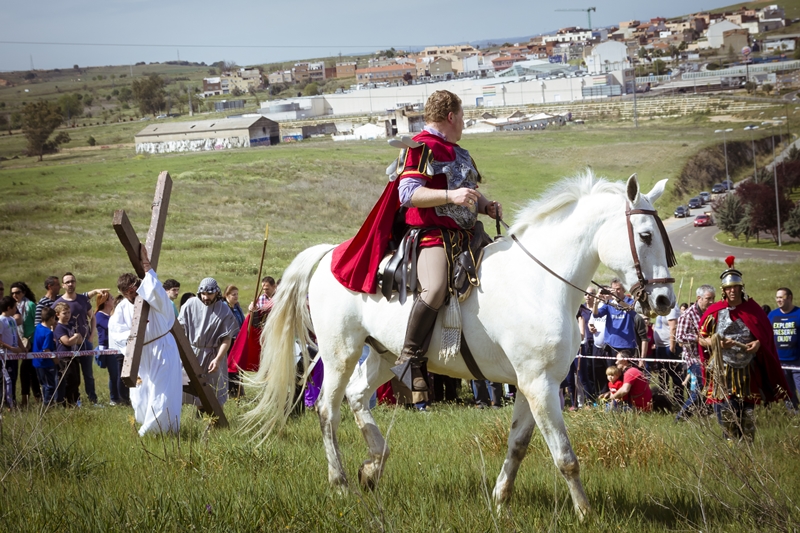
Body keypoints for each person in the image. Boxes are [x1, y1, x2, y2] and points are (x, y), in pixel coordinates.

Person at [330, 90, 503, 392]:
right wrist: (451, 196)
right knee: (435, 288)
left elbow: (468, 189)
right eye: (462, 116)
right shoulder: (420, 148)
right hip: (432, 235)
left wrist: (485, 205)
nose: (463, 122)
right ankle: (410, 358)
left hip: (467, 235)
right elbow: (408, 194)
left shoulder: (460, 151)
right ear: (451, 116)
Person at [698, 257, 789, 441]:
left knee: (747, 414)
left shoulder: (753, 309)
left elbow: (764, 337)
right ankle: (731, 449)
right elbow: (701, 339)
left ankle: (748, 450)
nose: (732, 291)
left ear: (741, 288)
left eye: (735, 287)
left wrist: (758, 344)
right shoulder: (715, 311)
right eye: (728, 288)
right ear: (724, 290)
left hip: (748, 371)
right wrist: (717, 344)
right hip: (723, 371)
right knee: (727, 414)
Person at [109, 245, 183, 436]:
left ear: (138, 286)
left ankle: (150, 433)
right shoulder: (123, 307)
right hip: (140, 355)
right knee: (141, 397)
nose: (131, 297)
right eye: (126, 294)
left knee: (162, 394)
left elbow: (158, 294)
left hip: (162, 350)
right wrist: (133, 338)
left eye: (133, 292)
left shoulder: (152, 296)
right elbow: (115, 333)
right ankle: (149, 428)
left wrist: (147, 267)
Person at [179, 278, 239, 407]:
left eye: (209, 294)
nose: (206, 297)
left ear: (216, 293)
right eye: (203, 294)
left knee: (214, 391)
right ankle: (197, 418)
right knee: (191, 390)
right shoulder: (189, 305)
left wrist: (218, 359)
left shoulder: (224, 310)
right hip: (192, 353)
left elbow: (226, 339)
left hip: (213, 355)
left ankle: (215, 421)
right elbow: (180, 331)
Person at [52, 272, 105, 404]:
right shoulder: (58, 303)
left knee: (88, 374)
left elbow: (92, 317)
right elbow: (53, 323)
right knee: (72, 375)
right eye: (68, 282)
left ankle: (93, 400)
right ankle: (75, 400)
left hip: (85, 342)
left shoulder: (82, 299)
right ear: (63, 285)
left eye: (73, 281)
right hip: (68, 345)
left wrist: (91, 336)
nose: (71, 284)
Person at [675, 284, 716, 421]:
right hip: (695, 358)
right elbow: (679, 337)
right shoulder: (687, 315)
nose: (711, 302)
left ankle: (705, 413)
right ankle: (681, 418)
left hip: (711, 357)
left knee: (711, 388)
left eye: (713, 299)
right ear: (699, 298)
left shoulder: (711, 313)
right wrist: (700, 339)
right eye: (708, 299)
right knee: (700, 389)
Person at [768, 287, 800, 409]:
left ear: (790, 298)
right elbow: (766, 335)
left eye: (781, 297)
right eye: (777, 297)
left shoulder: (798, 313)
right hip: (780, 362)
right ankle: (794, 416)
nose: (778, 300)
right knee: (787, 392)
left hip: (797, 362)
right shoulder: (772, 315)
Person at [11, 281, 41, 406]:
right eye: (12, 293)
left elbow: (37, 324)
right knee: (30, 371)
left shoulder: (30, 305)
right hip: (19, 341)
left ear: (23, 292)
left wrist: (31, 339)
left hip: (32, 342)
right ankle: (36, 398)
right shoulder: (12, 307)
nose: (15, 295)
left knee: (26, 370)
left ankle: (26, 399)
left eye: (17, 292)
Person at [95, 291, 122, 406]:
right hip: (107, 348)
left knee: (119, 374)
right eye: (111, 298)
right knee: (114, 374)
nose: (113, 300)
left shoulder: (110, 315)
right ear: (105, 302)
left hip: (116, 347)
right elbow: (112, 327)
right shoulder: (99, 315)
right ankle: (114, 398)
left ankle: (120, 396)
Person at [651, 302, 683, 402]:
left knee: (675, 374)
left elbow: (673, 327)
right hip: (660, 347)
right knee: (662, 375)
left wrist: (672, 347)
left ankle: (678, 399)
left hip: (668, 346)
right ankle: (663, 399)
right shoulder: (661, 307)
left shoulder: (671, 307)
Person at [53, 301, 83, 406]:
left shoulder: (71, 325)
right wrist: (75, 337)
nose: (67, 315)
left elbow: (80, 340)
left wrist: (75, 337)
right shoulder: (59, 328)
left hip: (73, 356)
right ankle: (67, 403)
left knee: (76, 380)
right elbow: (67, 342)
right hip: (64, 357)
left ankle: (75, 401)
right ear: (57, 314)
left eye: (69, 313)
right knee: (68, 381)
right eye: (64, 313)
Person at [0, 296, 25, 408]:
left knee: (14, 378)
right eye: (15, 307)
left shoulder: (12, 320)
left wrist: (22, 348)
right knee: (7, 380)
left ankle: (12, 401)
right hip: (4, 356)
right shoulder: (1, 320)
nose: (16, 309)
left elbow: (17, 335)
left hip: (14, 356)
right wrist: (11, 348)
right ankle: (6, 404)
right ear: (9, 307)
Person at [32, 307, 58, 405]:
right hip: (45, 363)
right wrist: (55, 359)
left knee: (43, 384)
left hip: (37, 362)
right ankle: (48, 406)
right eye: (54, 318)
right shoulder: (48, 333)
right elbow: (46, 349)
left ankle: (45, 403)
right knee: (49, 386)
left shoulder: (38, 327)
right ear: (51, 318)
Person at [223, 284, 245, 398]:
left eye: (237, 294)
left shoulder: (237, 307)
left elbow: (242, 322)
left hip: (238, 341)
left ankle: (238, 391)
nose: (236, 297)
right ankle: (231, 391)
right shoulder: (224, 307)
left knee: (237, 366)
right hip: (228, 341)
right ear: (227, 295)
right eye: (233, 295)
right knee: (230, 366)